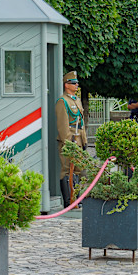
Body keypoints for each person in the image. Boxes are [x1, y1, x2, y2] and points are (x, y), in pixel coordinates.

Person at [55, 71, 87, 208]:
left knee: (79, 169)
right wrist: (68, 143)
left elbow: (81, 123)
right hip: (69, 140)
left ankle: (77, 199)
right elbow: (63, 125)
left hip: (79, 139)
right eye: (74, 83)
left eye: (77, 83)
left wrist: (84, 141)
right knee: (68, 169)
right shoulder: (63, 101)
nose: (77, 85)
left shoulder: (76, 100)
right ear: (66, 85)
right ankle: (69, 201)